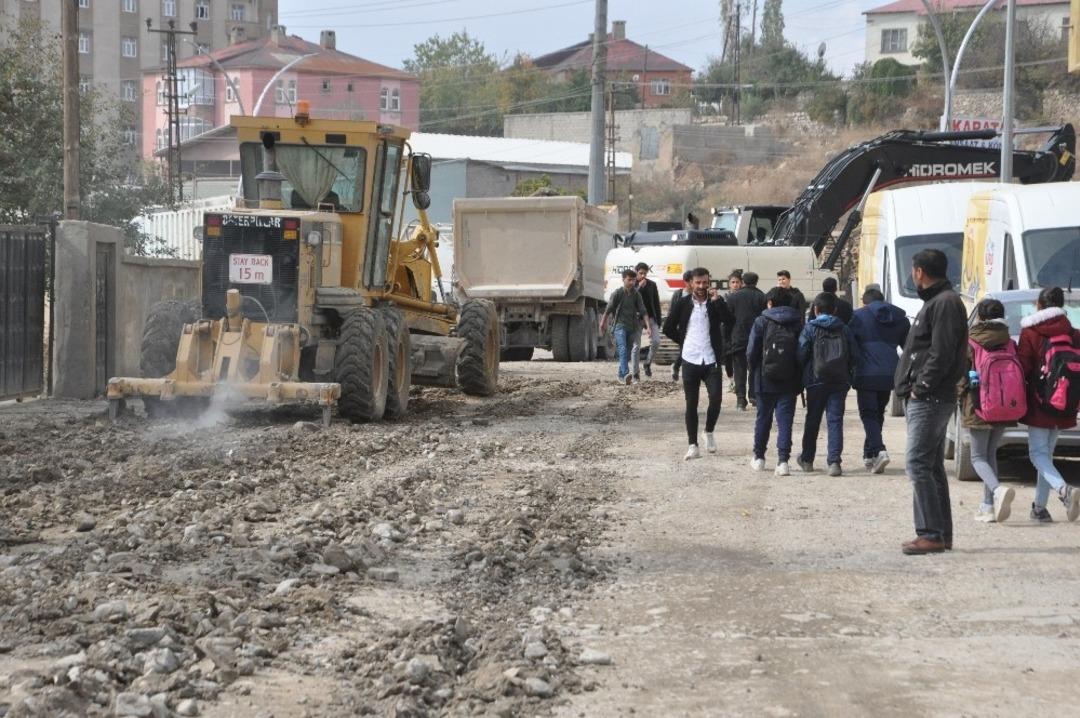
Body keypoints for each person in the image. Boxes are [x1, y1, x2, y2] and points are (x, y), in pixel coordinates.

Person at [894, 249, 968, 555]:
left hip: (931, 397)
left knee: (917, 463)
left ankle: (930, 533)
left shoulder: (946, 303)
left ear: (920, 271)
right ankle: (940, 533)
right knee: (932, 466)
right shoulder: (938, 302)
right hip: (929, 396)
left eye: (913, 270)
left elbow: (942, 353)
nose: (913, 275)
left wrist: (920, 388)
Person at [1017, 286, 1080, 522]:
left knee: (1037, 455)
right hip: (1066, 402)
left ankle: (1064, 491)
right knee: (1046, 456)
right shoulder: (1073, 333)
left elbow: (1024, 366)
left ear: (1039, 305)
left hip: (1039, 401)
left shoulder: (1032, 332)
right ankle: (1039, 509)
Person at [663, 267, 734, 461]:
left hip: (711, 359)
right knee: (691, 403)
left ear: (709, 282)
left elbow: (730, 321)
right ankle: (692, 445)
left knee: (717, 399)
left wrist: (718, 302)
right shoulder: (683, 303)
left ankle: (709, 431)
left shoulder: (715, 303)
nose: (702, 286)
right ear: (691, 283)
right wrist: (683, 341)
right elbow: (668, 327)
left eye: (705, 282)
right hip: (690, 359)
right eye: (698, 283)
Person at [958, 298, 1019, 524]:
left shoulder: (971, 341)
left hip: (979, 405)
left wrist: (959, 397)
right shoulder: (1010, 342)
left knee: (977, 457)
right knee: (990, 454)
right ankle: (988, 507)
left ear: (981, 317)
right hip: (1005, 406)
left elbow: (961, 376)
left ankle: (996, 490)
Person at [796, 292, 858, 476]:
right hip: (839, 381)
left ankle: (807, 460)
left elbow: (801, 354)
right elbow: (854, 355)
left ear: (815, 309)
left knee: (812, 420)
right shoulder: (844, 328)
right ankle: (834, 463)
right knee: (835, 420)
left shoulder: (810, 328)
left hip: (815, 381)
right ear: (836, 310)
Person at [850, 285, 910, 473]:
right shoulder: (900, 319)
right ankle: (870, 455)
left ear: (864, 301)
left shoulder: (858, 317)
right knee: (878, 413)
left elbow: (851, 345)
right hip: (890, 372)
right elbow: (908, 347)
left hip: (866, 372)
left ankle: (880, 450)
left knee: (868, 414)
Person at [746, 287, 803, 475]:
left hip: (764, 378)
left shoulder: (761, 321)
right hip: (790, 378)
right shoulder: (797, 322)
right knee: (785, 421)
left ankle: (759, 458)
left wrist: (754, 370)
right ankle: (783, 461)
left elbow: (751, 351)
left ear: (770, 303)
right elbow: (802, 352)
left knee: (763, 418)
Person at [599, 269, 650, 386]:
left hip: (631, 327)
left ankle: (621, 376)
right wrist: (602, 323)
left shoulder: (636, 294)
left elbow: (643, 311)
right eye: (629, 280)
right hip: (619, 326)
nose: (632, 282)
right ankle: (627, 374)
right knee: (622, 349)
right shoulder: (618, 293)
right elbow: (608, 309)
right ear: (623, 280)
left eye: (633, 280)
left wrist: (648, 327)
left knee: (626, 353)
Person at [727, 271, 767, 411]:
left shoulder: (733, 297)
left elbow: (728, 319)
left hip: (738, 337)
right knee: (755, 368)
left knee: (739, 369)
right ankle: (754, 396)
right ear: (756, 282)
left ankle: (740, 400)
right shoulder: (762, 296)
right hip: (757, 338)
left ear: (743, 281)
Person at [631, 262, 663, 381]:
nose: (643, 276)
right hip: (637, 318)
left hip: (650, 317)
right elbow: (631, 299)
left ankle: (648, 363)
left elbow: (656, 303)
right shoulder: (632, 284)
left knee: (656, 341)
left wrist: (658, 321)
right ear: (636, 272)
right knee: (636, 346)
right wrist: (639, 287)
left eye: (645, 273)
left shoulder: (652, 285)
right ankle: (635, 373)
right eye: (641, 273)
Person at [669, 270, 694, 382]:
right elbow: (672, 310)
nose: (691, 284)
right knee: (684, 348)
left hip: (693, 326)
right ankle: (677, 366)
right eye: (689, 282)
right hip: (681, 326)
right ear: (686, 282)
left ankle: (677, 366)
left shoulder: (697, 295)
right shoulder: (678, 294)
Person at [723, 271, 744, 388]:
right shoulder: (725, 298)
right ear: (729, 284)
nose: (735, 284)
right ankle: (731, 381)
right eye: (733, 282)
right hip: (727, 331)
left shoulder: (743, 297)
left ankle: (739, 381)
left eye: (737, 282)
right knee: (727, 357)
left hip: (739, 331)